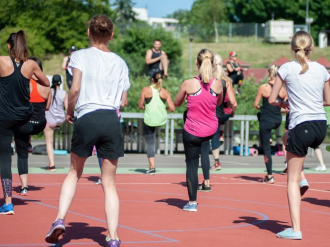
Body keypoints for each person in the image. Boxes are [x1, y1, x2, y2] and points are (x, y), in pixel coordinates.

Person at [45, 15, 130, 247]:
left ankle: (59, 219)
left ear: (88, 33)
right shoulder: (121, 62)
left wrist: (70, 111)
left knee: (74, 172)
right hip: (111, 119)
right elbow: (123, 100)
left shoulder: (79, 56)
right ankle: (113, 237)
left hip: (87, 116)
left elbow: (75, 89)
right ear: (111, 35)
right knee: (109, 183)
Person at [269, 31, 330, 240]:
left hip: (301, 124)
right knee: (295, 150)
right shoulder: (322, 69)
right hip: (321, 126)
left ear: (292, 48)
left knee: (291, 180)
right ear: (312, 47)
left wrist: (284, 104)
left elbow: (271, 99)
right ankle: (302, 177)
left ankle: (295, 229)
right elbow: (328, 100)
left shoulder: (286, 68)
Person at [0, 31, 50, 215]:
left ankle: (8, 203)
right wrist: (30, 76)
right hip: (24, 119)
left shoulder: (2, 61)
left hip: (4, 118)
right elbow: (46, 82)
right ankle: (24, 184)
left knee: (4, 158)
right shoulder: (30, 65)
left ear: (9, 46)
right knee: (22, 151)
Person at [174, 49, 223, 212]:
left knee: (192, 165)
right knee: (205, 152)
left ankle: (192, 202)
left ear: (197, 63)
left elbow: (177, 103)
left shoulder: (188, 83)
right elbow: (219, 101)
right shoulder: (217, 84)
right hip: (209, 130)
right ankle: (206, 180)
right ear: (213, 63)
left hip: (193, 131)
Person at [16, 57, 51, 195]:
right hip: (40, 124)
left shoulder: (23, 84)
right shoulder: (46, 86)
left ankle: (24, 187)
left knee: (22, 155)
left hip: (25, 125)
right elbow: (47, 108)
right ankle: (29, 143)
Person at [254, 65, 286, 184]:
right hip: (277, 120)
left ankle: (270, 175)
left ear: (268, 74)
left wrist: (263, 107)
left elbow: (256, 105)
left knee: (266, 149)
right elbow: (285, 107)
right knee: (263, 119)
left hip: (266, 122)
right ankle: (269, 138)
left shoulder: (264, 87)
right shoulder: (283, 90)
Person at [139, 72, 175, 174]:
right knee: (158, 135)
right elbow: (172, 108)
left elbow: (140, 105)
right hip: (161, 119)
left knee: (150, 143)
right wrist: (163, 109)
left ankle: (152, 167)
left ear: (152, 80)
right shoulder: (165, 92)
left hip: (150, 119)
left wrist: (147, 107)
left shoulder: (146, 90)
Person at [209, 53, 237, 172]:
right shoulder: (227, 81)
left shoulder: (209, 80)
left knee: (210, 135)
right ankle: (221, 132)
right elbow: (233, 102)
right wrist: (232, 113)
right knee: (217, 128)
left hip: (212, 113)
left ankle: (216, 161)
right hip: (225, 113)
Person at [44, 75, 68, 172]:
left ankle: (52, 165)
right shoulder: (64, 93)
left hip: (49, 121)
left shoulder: (48, 91)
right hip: (61, 120)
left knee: (49, 142)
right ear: (61, 82)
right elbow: (67, 107)